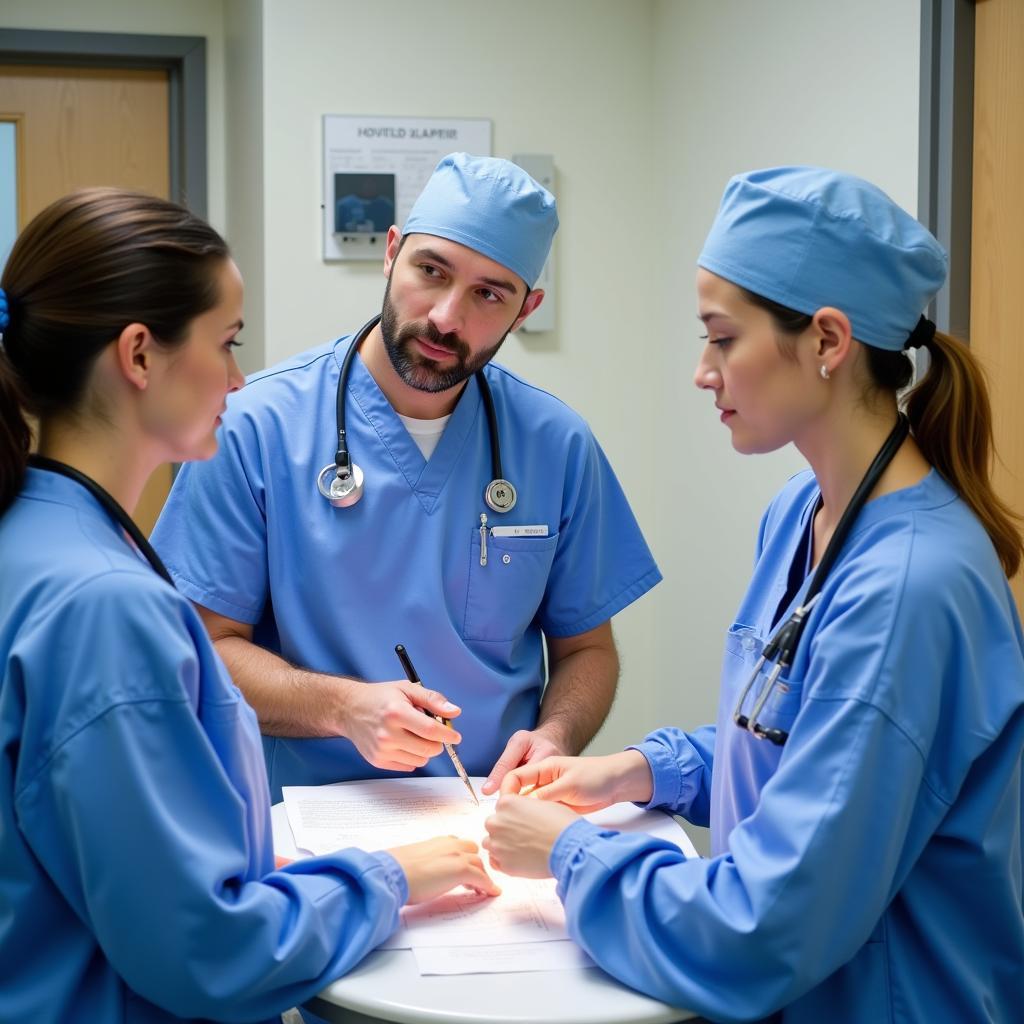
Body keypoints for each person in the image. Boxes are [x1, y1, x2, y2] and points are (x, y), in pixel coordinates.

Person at [482, 166, 1024, 1022]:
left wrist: (569, 854)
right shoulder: (800, 515)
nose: (704, 373)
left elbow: (765, 929)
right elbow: (786, 740)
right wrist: (638, 771)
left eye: (723, 339)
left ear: (827, 342)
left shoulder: (909, 590)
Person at [0, 188, 499, 1024]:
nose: (238, 377)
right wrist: (396, 876)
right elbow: (208, 950)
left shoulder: (37, 536)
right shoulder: (105, 608)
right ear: (139, 355)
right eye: (226, 343)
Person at [152, 153, 661, 801]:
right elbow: (204, 647)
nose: (447, 317)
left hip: (488, 814)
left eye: (489, 294)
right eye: (432, 271)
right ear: (391, 253)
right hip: (304, 824)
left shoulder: (555, 444)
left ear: (525, 308)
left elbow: (588, 650)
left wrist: (557, 734)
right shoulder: (254, 427)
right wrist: (343, 708)